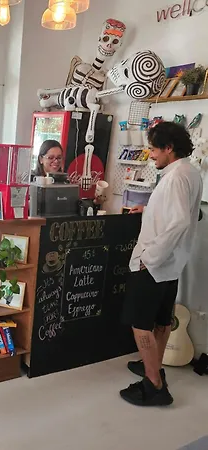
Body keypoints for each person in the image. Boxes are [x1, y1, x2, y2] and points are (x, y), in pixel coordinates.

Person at [120, 121, 202, 407]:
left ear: (169, 148)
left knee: (140, 324)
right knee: (162, 320)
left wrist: (149, 258)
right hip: (172, 264)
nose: (150, 154)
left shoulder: (176, 177)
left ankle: (154, 384)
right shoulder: (189, 172)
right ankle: (152, 365)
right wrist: (148, 209)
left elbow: (179, 221)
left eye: (154, 149)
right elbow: (181, 212)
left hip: (155, 264)